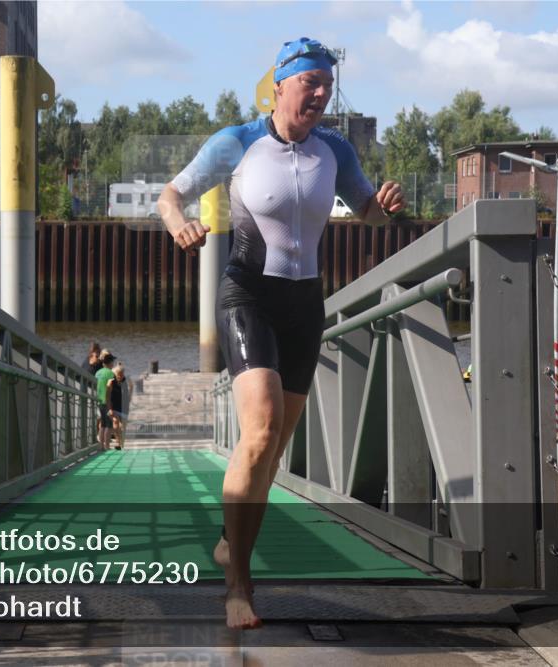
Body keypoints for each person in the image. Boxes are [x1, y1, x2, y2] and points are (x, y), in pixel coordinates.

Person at [159, 37, 406, 629]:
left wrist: (383, 207)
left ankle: (228, 536)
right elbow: (172, 194)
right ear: (280, 86)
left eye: (327, 83)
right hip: (248, 294)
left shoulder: (336, 150)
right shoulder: (237, 143)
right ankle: (238, 584)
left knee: (272, 453)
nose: (320, 93)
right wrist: (178, 223)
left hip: (304, 305)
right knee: (261, 427)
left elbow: (365, 207)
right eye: (309, 82)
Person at [95, 351, 117, 450]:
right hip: (108, 402)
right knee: (109, 425)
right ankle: (107, 446)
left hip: (99, 401)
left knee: (103, 425)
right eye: (113, 362)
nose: (114, 364)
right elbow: (113, 388)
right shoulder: (111, 373)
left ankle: (101, 445)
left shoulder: (98, 373)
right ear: (110, 363)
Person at [107, 363, 131, 450]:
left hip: (124, 407)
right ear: (115, 374)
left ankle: (122, 442)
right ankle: (118, 443)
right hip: (114, 407)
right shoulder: (111, 382)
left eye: (121, 374)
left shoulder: (126, 380)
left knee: (123, 426)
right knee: (116, 424)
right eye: (118, 374)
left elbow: (131, 386)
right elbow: (108, 396)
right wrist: (109, 408)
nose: (120, 376)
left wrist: (130, 397)